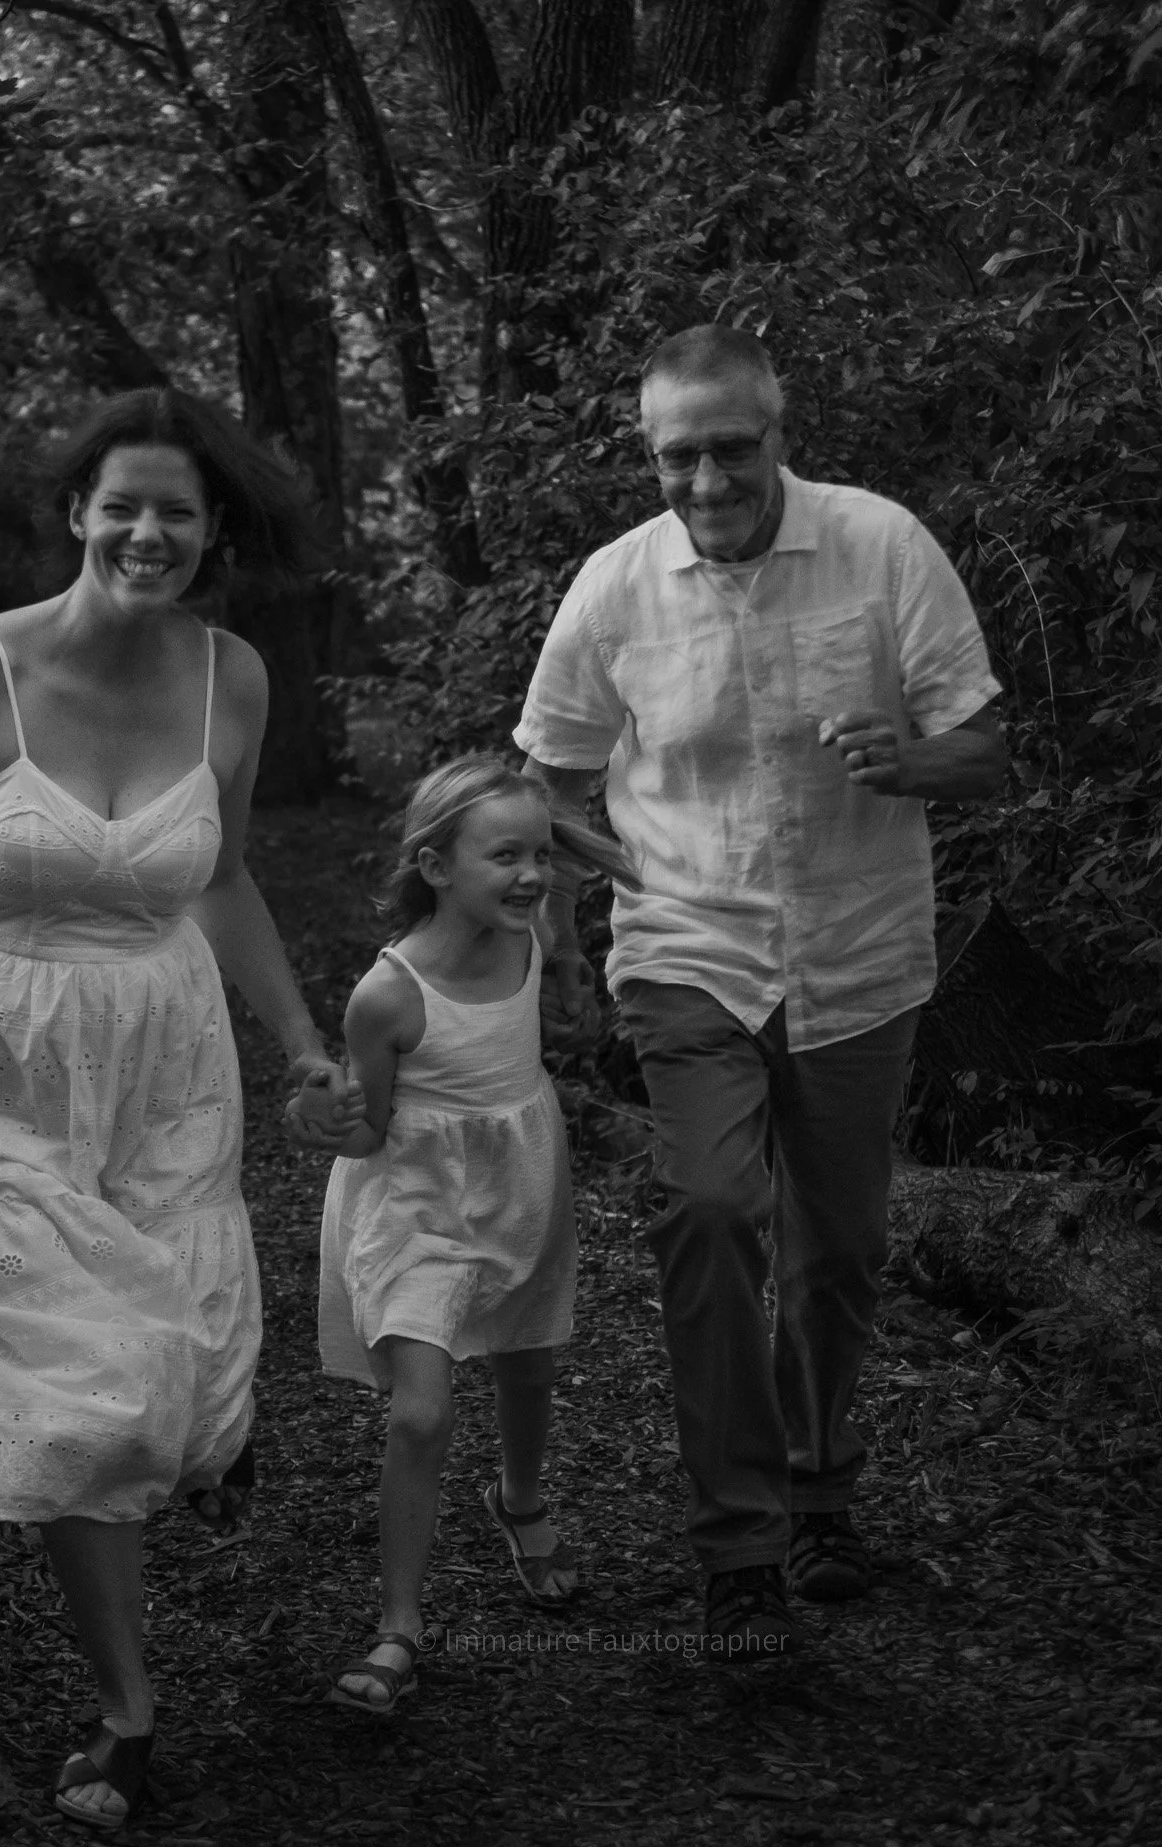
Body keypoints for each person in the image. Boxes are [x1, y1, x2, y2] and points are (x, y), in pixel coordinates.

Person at [0, 386, 358, 1828]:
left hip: (164, 1064)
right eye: (123, 502)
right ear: (76, 512)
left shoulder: (231, 680)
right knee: (87, 1402)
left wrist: (299, 1039)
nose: (148, 531)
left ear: (212, 530)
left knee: (175, 1365)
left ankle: (202, 1446)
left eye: (179, 509)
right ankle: (130, 1715)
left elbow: (224, 874)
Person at [514, 324, 1006, 1659]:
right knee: (710, 1206)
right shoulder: (616, 588)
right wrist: (620, 890)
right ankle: (739, 1556)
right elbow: (549, 783)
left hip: (861, 956)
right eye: (681, 455)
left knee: (837, 1250)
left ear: (780, 434)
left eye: (733, 447)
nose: (710, 480)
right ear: (653, 456)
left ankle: (821, 1493)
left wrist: (912, 762)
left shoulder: (882, 546)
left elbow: (987, 751)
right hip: (688, 960)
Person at [292, 757, 635, 1713]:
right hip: (418, 1211)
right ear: (437, 866)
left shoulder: (531, 938)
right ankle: (399, 1626)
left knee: (529, 1360)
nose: (532, 874)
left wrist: (568, 974)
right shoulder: (388, 996)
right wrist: (313, 1118)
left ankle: (519, 1501)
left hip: (523, 1187)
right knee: (422, 1411)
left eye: (540, 854)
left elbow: (544, 1002)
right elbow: (367, 1130)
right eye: (505, 857)